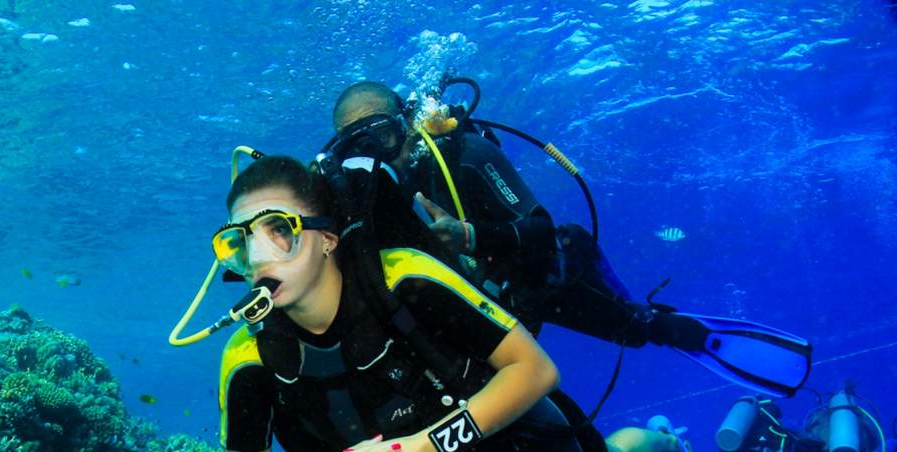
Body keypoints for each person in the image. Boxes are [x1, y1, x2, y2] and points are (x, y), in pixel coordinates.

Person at [215, 154, 692, 452]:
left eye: (279, 229)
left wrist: (429, 446)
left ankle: (667, 445)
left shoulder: (405, 277)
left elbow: (536, 369)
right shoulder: (249, 357)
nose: (258, 257)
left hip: (502, 410)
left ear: (328, 239)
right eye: (239, 241)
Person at [323, 81, 812, 399]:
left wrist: (467, 236)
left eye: (382, 136)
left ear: (407, 122)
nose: (376, 155)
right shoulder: (379, 198)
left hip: (555, 272)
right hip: (507, 300)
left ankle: (694, 334)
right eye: (357, 146)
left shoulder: (467, 155)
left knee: (637, 331)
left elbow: (538, 227)